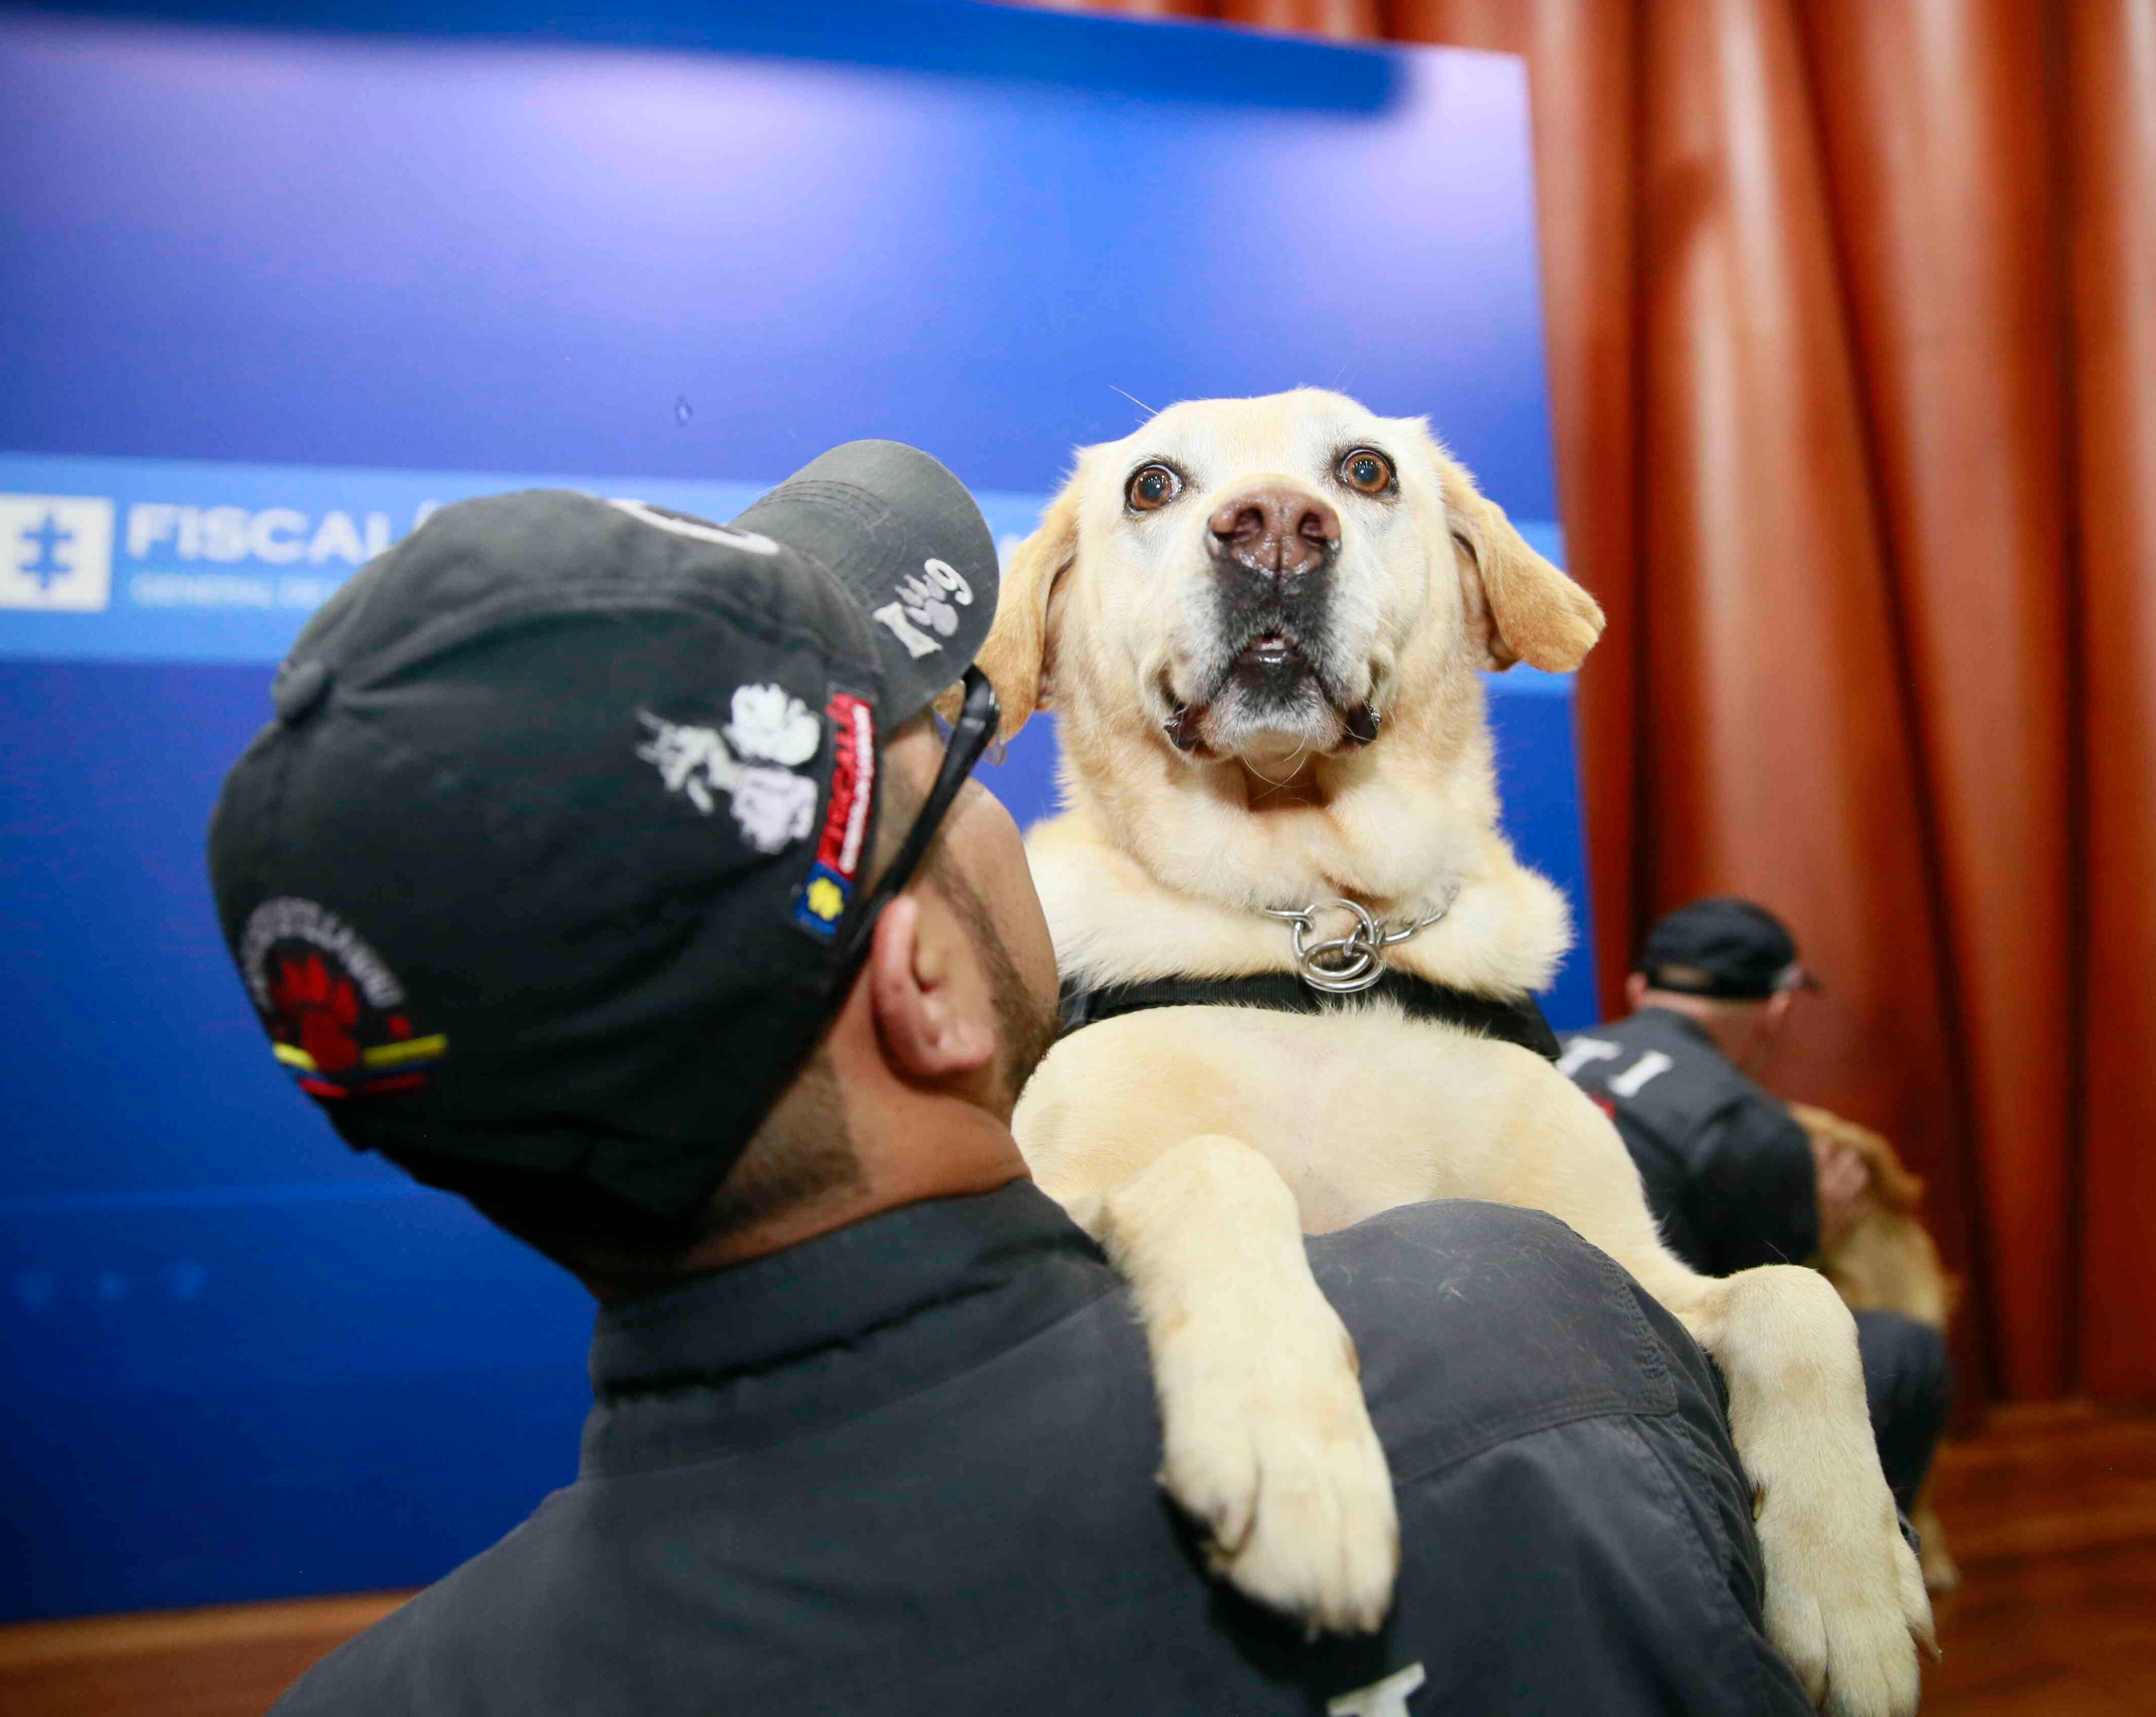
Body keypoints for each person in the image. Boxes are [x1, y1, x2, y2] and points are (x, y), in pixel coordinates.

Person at [212, 447, 1816, 1715]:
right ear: (923, 988)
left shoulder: (380, 1695)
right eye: (957, 746)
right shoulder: (1518, 1367)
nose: (1011, 790)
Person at [1558, 899, 1952, 1517]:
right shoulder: (1749, 1126)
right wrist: (1813, 1233)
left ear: (1637, 989)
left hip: (1490, 1352)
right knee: (1904, 1350)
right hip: (1623, 1415)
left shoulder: (1540, 1053)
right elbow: (1761, 1328)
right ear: (1777, 1007)